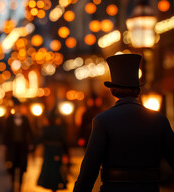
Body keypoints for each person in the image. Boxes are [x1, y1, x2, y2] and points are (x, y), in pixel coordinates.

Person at [73, 54, 174, 192]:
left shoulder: (102, 120)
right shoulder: (159, 120)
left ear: (113, 90)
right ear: (138, 90)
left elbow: (89, 169)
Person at [3, 97, 33, 192]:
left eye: (19, 107)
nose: (18, 109)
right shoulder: (9, 119)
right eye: (16, 107)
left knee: (22, 167)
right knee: (12, 166)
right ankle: (12, 184)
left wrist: (31, 143)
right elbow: (5, 132)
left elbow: (30, 131)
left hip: (22, 147)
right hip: (12, 147)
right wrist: (4, 144)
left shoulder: (25, 119)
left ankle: (20, 186)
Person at [36, 110, 69, 192]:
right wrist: (66, 153)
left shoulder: (46, 129)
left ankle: (51, 185)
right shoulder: (59, 129)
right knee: (56, 169)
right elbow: (64, 141)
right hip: (57, 152)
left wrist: (32, 145)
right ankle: (55, 185)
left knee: (49, 169)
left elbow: (41, 138)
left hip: (49, 152)